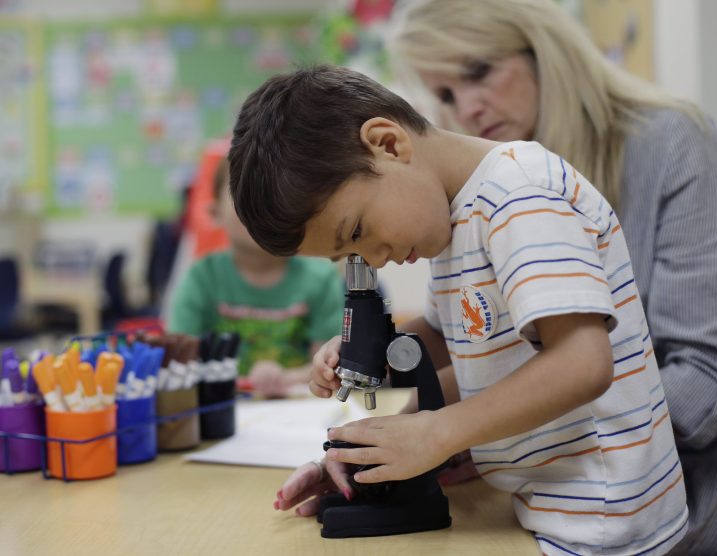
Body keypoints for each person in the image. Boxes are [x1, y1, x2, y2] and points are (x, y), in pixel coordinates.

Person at [229, 64, 689, 555]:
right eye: (351, 255)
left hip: (603, 522)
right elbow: (448, 336)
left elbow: (583, 364)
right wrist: (368, 386)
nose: (375, 258)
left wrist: (438, 434)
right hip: (544, 505)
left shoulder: (519, 195)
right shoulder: (456, 215)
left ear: (387, 144)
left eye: (358, 231)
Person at [385, 1, 717, 554]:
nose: (468, 106)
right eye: (444, 95)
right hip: (555, 499)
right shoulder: (492, 191)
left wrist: (497, 429)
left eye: (479, 71)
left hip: (688, 511)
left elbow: (711, 383)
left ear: (545, 51)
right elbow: (488, 348)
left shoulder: (674, 144)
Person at [167, 157, 345, 398]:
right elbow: (180, 362)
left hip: (298, 409)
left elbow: (328, 367)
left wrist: (284, 380)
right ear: (215, 212)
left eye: (270, 195)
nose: (258, 210)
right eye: (244, 195)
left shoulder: (321, 278)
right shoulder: (202, 278)